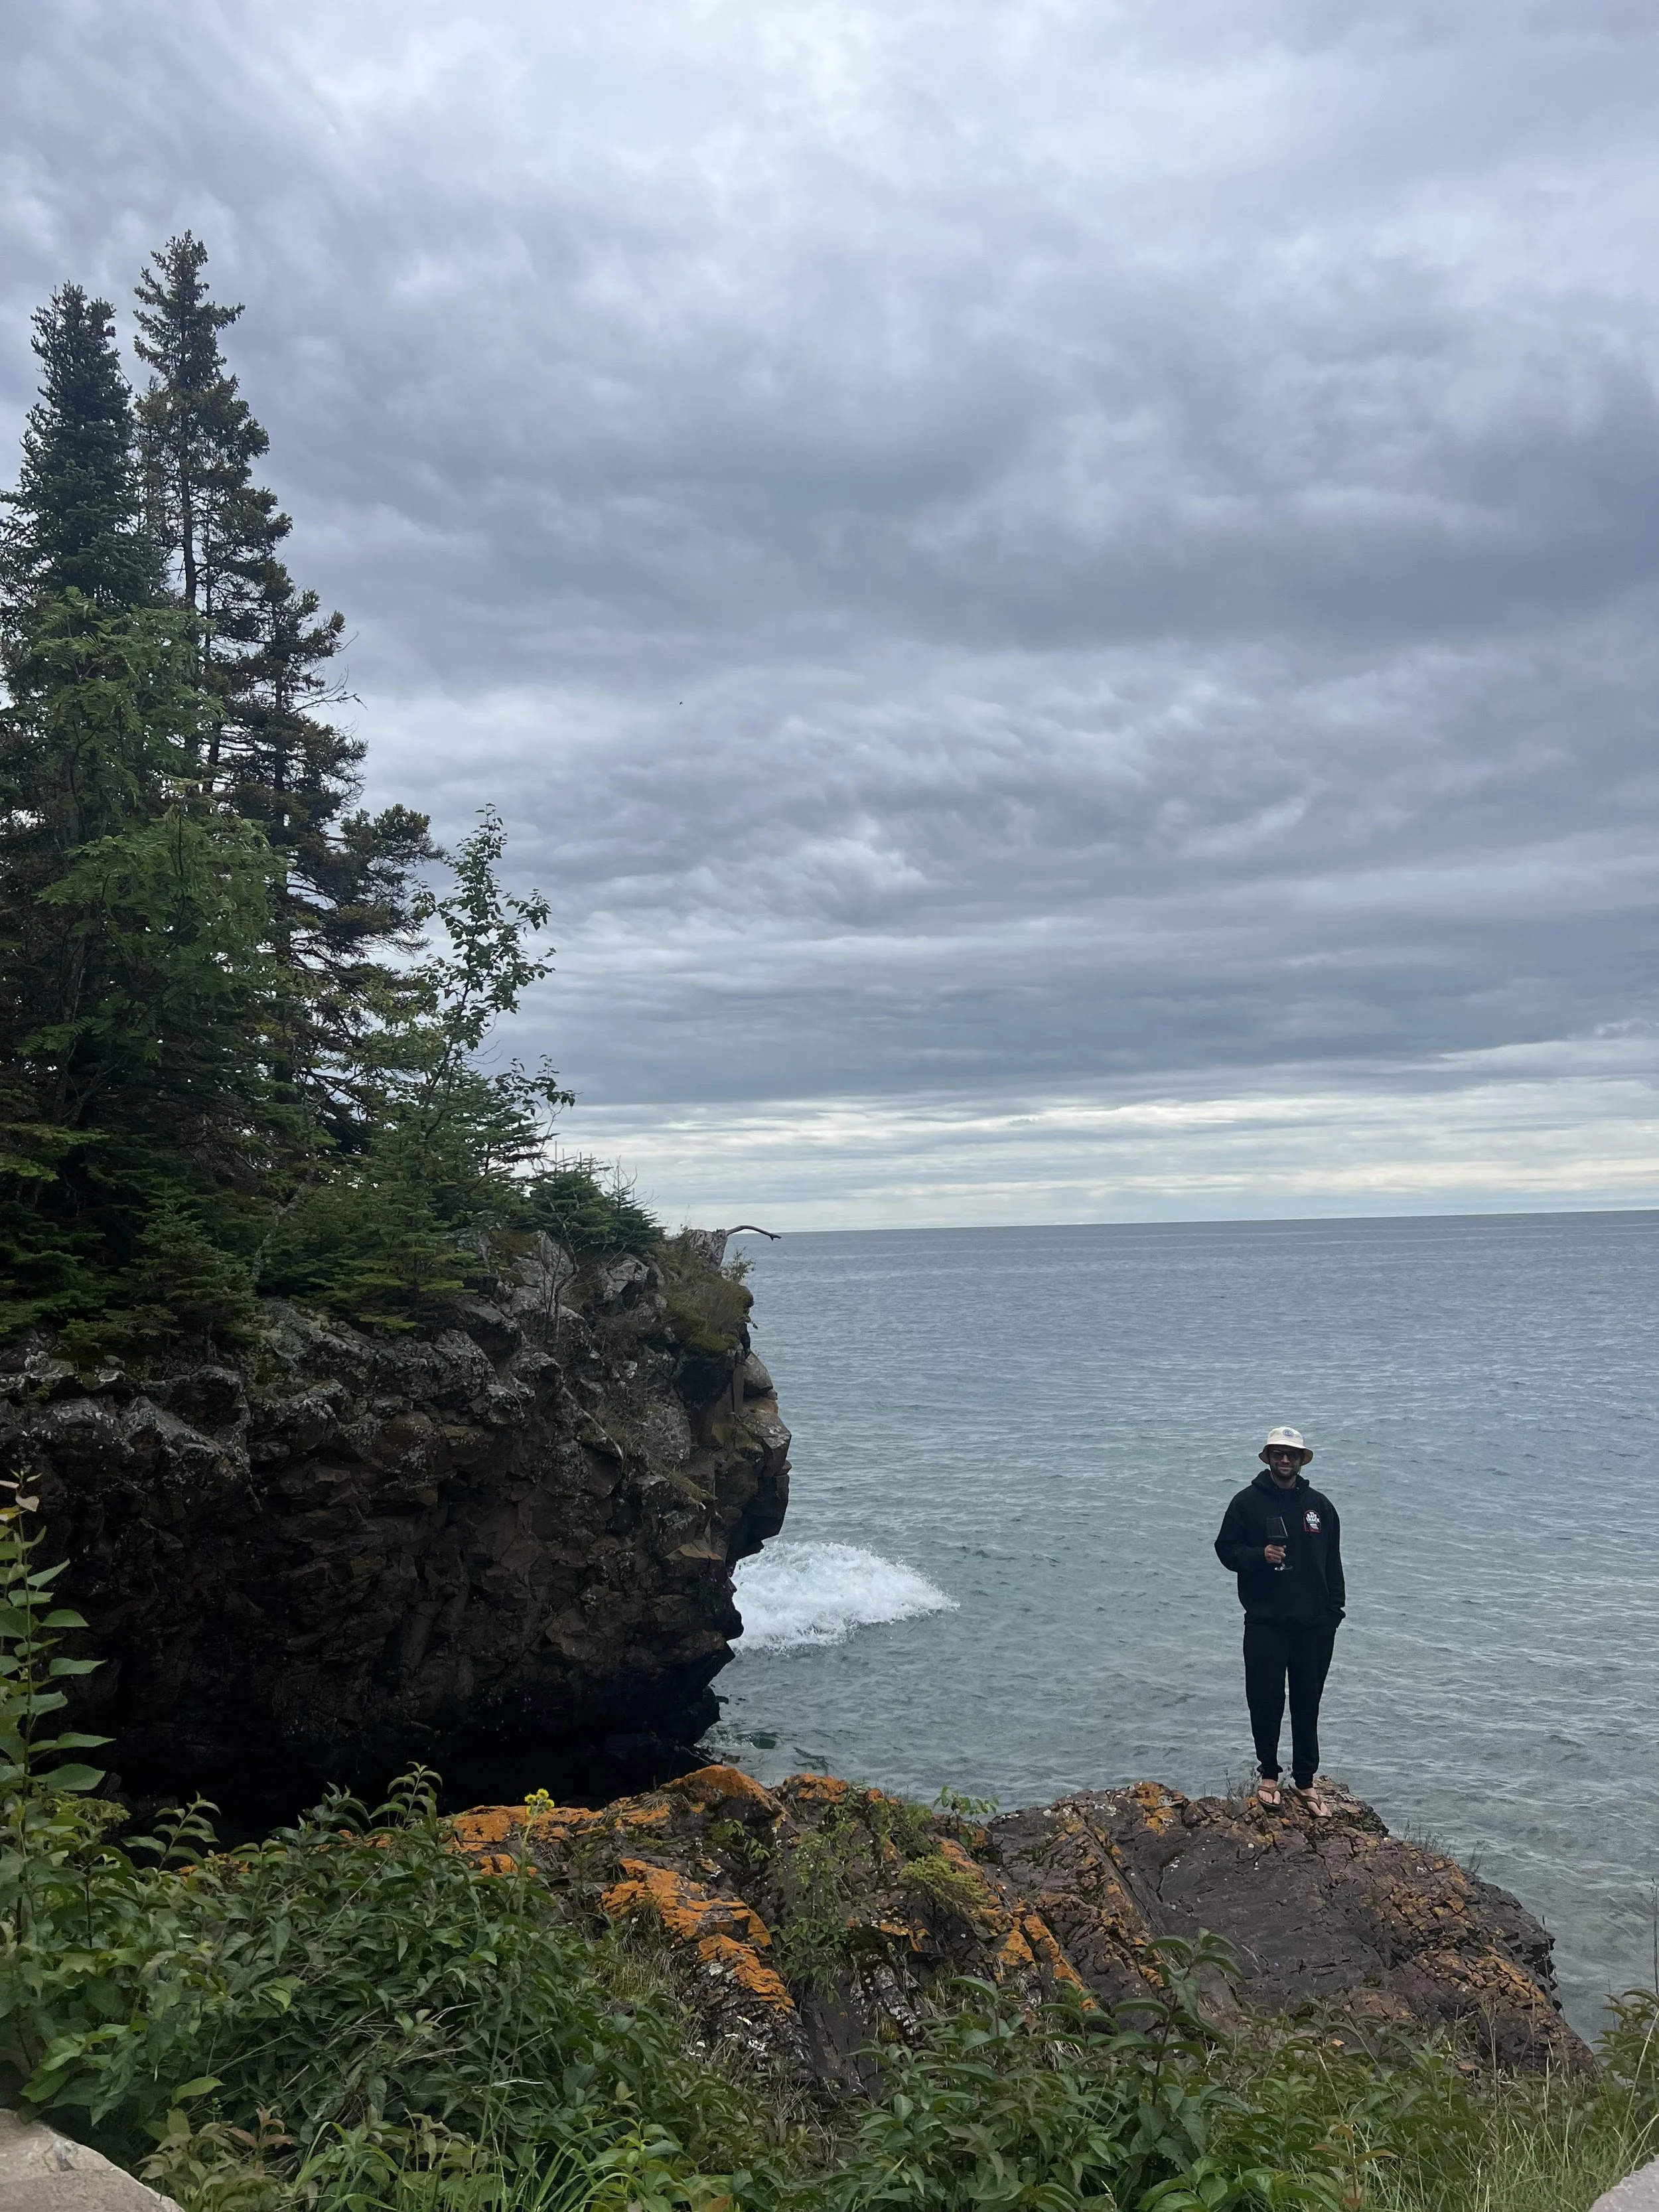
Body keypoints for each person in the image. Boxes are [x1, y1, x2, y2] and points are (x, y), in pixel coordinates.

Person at [1214, 1426, 1345, 1814]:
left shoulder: (1320, 1506)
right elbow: (1225, 1549)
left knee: (1308, 1703)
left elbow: (1333, 1562)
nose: (1283, 1460)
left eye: (1291, 1454)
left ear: (1301, 1460)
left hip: (1315, 1625)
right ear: (1268, 1457)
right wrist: (1259, 1556)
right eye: (1277, 1453)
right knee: (1266, 1701)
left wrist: (1334, 1612)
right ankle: (1269, 1775)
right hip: (1265, 1622)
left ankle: (1305, 1780)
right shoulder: (1246, 1502)